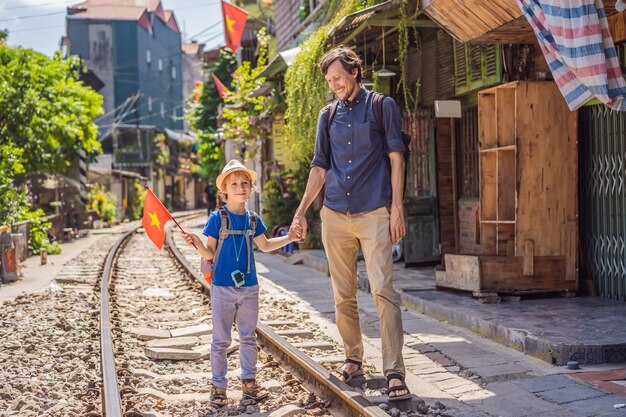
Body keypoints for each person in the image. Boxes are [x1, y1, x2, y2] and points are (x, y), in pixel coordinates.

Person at [290, 46, 411, 401]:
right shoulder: (326, 116)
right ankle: (353, 358)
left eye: (339, 77)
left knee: (382, 291)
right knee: (342, 294)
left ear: (355, 72)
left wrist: (397, 207)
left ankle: (394, 370)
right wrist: (300, 212)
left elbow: (396, 158)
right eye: (329, 81)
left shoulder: (381, 106)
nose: (335, 85)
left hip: (374, 210)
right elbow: (319, 167)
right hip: (334, 215)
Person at [183, 159, 301, 408]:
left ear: (250, 188)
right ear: (224, 189)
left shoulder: (253, 219)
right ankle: (218, 387)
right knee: (220, 340)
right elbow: (209, 253)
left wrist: (289, 237)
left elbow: (266, 245)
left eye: (245, 183)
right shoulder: (217, 218)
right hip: (223, 288)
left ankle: (249, 384)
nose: (240, 187)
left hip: (249, 288)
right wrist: (196, 242)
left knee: (248, 338)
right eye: (234, 183)